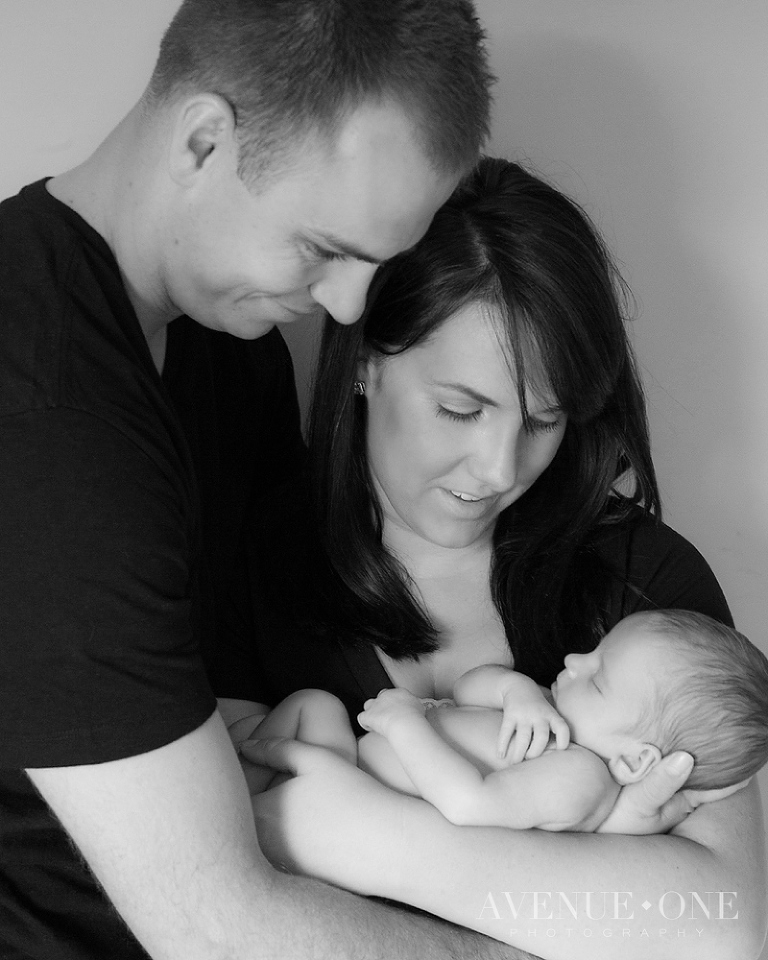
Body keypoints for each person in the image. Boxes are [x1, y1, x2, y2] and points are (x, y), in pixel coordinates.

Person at [0, 2, 505, 959]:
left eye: (379, 263)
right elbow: (218, 927)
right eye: (326, 248)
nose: (347, 307)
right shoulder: (45, 424)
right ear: (202, 141)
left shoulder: (232, 348)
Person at [227, 158, 768, 958]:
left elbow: (723, 932)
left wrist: (361, 835)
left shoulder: (644, 586)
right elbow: (215, 894)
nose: (501, 470)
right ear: (368, 360)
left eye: (544, 421)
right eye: (459, 409)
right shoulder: (248, 565)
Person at [222, 609, 768, 837]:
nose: (575, 662)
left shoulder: (580, 777)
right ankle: (225, 770)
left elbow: (471, 805)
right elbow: (465, 688)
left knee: (303, 723)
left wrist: (408, 723)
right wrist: (516, 690)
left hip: (350, 801)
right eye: (595, 651)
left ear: (636, 760)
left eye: (597, 678)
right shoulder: (553, 720)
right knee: (313, 704)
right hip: (347, 760)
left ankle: (223, 794)